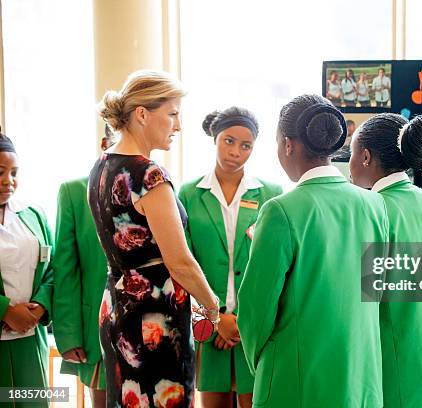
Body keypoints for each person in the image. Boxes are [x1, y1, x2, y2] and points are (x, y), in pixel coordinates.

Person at [237, 95, 389, 407]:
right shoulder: (374, 205)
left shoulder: (280, 211)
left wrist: (262, 364)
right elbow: (374, 292)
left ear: (288, 145)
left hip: (297, 380)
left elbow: (255, 310)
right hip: (360, 377)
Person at [91, 70, 220, 407]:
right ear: (143, 114)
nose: (178, 126)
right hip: (153, 318)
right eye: (173, 114)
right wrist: (212, 306)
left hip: (116, 307)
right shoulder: (149, 175)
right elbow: (179, 261)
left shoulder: (101, 165)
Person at [349, 114, 422, 408]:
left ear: (366, 157)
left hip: (393, 368)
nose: (348, 167)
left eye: (351, 153)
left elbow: (365, 298)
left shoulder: (371, 208)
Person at [178, 107, 282, 408]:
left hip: (253, 328)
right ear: (215, 138)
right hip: (207, 325)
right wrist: (215, 319)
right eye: (228, 141)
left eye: (245, 145)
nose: (235, 152)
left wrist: (241, 322)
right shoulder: (188, 193)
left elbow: (274, 267)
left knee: (258, 401)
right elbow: (183, 263)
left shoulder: (270, 194)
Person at [52, 128, 115, 408]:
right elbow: (65, 269)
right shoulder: (74, 192)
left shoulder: (155, 188)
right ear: (105, 144)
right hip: (94, 327)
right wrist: (68, 334)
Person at [0, 133, 54, 407]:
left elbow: (54, 268)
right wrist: (5, 310)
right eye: (0, 172)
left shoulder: (33, 215)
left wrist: (42, 306)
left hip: (30, 340)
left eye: (14, 173)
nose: (8, 181)